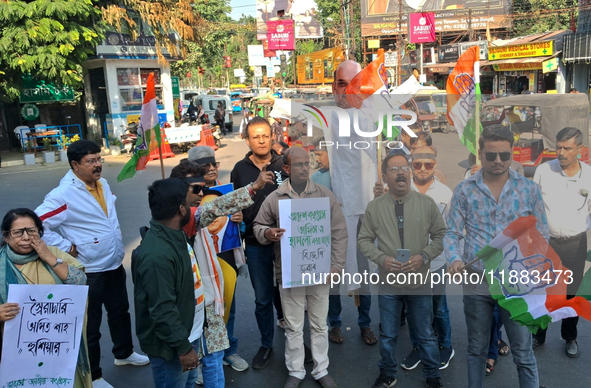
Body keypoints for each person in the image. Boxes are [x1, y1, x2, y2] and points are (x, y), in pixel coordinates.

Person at [35, 140, 149, 388]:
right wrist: (66, 247)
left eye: (99, 159)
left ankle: (124, 353)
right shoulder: (63, 194)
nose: (98, 165)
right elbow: (37, 225)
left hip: (112, 263)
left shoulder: (103, 184)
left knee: (120, 312)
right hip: (88, 270)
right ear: (75, 165)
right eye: (91, 161)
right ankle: (93, 375)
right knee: (91, 326)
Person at [446, 125, 548, 388]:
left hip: (516, 282)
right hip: (477, 281)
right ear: (480, 154)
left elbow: (541, 234)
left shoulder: (528, 190)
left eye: (504, 154)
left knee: (523, 352)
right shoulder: (464, 190)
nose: (498, 161)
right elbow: (453, 233)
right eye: (491, 155)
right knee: (477, 349)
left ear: (512, 153)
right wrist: (455, 258)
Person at [253, 147, 347, 388]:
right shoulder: (275, 198)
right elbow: (258, 225)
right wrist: (267, 233)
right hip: (290, 273)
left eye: (308, 164)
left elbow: (339, 232)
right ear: (286, 169)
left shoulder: (325, 196)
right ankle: (295, 371)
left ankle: (321, 369)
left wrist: (336, 266)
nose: (305, 168)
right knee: (293, 326)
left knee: (319, 324)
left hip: (320, 271)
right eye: (299, 164)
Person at [359, 150, 446, 388]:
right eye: (394, 169)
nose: (401, 173)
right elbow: (364, 240)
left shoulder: (426, 203)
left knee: (426, 335)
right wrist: (381, 259)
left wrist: (424, 256)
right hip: (388, 284)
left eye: (404, 168)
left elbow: (441, 236)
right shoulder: (375, 207)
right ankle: (387, 373)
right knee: (388, 336)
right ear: (385, 176)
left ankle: (433, 376)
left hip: (419, 282)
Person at [0, 208, 91, 388]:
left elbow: (80, 283)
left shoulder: (53, 253)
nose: (26, 237)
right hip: (15, 351)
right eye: (18, 232)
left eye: (32, 231)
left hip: (59, 347)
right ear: (6, 236)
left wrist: (49, 257)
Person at [326, 60, 378, 347]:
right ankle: (334, 323)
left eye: (354, 83)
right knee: (334, 270)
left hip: (365, 209)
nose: (348, 90)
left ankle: (365, 323)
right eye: (343, 84)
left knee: (363, 268)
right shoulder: (323, 119)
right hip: (333, 210)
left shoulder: (373, 118)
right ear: (335, 86)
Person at [230, 116, 289, 369]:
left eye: (265, 135)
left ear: (273, 136)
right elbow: (231, 201)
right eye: (256, 136)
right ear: (248, 140)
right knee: (263, 298)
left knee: (290, 295)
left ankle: (296, 340)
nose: (262, 140)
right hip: (255, 244)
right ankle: (266, 344)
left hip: (286, 242)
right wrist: (236, 214)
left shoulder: (284, 164)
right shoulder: (239, 169)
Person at [132, 178, 202, 388]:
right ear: (181, 209)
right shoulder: (157, 255)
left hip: (189, 334)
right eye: (188, 203)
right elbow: (163, 309)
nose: (191, 207)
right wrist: (183, 348)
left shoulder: (174, 234)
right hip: (173, 346)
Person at [187, 146, 252, 373]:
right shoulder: (188, 194)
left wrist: (238, 219)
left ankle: (228, 351)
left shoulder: (224, 191)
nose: (212, 168)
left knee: (228, 306)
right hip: (201, 261)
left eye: (214, 163)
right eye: (206, 165)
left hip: (225, 257)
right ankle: (204, 358)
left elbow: (238, 229)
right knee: (205, 310)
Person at [532, 127, 591, 357]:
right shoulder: (543, 171)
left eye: (567, 148)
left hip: (576, 243)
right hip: (546, 243)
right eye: (558, 147)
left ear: (580, 149)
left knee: (571, 294)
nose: (561, 152)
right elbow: (532, 206)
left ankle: (570, 337)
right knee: (543, 291)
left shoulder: (588, 175)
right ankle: (538, 334)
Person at [400, 146, 455, 371]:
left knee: (439, 308)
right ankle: (418, 347)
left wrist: (453, 258)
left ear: (435, 165)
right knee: (414, 310)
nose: (422, 169)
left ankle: (446, 346)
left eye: (428, 164)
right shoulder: (399, 190)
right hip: (409, 263)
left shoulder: (445, 193)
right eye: (417, 164)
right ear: (410, 166)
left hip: (437, 261)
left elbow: (451, 230)